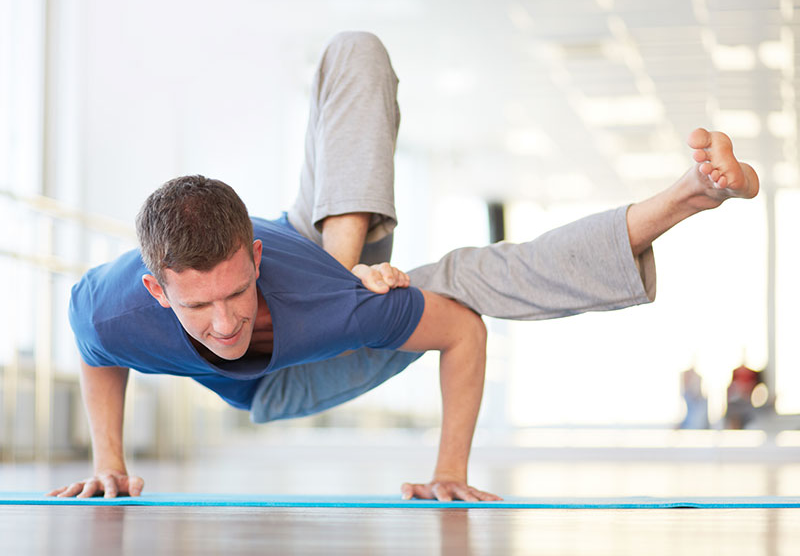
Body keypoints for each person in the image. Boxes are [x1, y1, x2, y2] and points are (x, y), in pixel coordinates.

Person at [48, 32, 760, 502]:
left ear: (255, 258)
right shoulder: (111, 308)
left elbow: (464, 332)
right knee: (365, 291)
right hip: (286, 384)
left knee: (357, 52)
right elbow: (95, 348)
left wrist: (449, 469)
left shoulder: (339, 302)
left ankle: (690, 195)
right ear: (155, 290)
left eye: (236, 292)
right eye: (198, 308)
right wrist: (107, 460)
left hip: (332, 298)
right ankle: (339, 272)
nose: (225, 321)